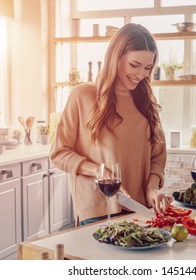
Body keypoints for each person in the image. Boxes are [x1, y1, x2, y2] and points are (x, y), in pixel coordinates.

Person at [50, 23, 170, 225]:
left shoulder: (146, 99)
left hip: (139, 210)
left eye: (147, 68)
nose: (141, 75)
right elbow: (59, 153)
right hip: (97, 210)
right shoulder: (83, 96)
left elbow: (157, 155)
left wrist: (152, 189)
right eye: (134, 65)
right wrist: (99, 171)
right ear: (116, 58)